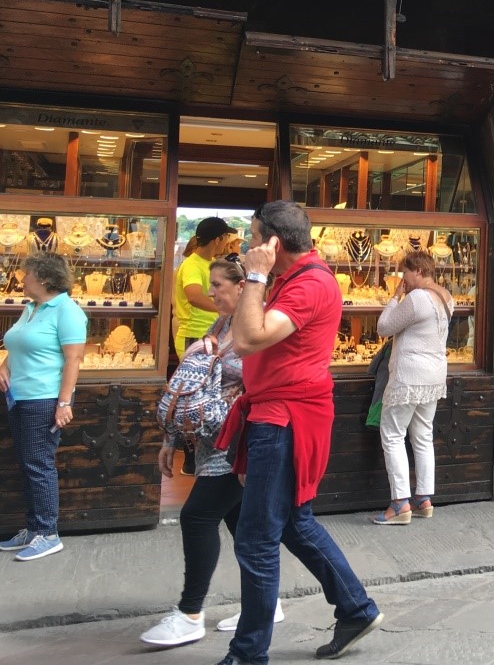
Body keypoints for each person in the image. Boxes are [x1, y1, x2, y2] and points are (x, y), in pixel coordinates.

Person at [216, 201, 382, 665]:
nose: (246, 248)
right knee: (292, 522)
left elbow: (249, 338)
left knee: (256, 538)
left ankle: (249, 654)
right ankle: (355, 608)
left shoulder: (308, 284)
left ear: (272, 244)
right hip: (277, 413)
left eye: (252, 238)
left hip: (285, 419)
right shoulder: (294, 278)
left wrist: (254, 277)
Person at [141, 258, 286, 646]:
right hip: (212, 440)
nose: (211, 293)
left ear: (243, 288)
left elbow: (261, 382)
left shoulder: (261, 325)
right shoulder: (222, 324)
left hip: (239, 441)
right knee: (240, 524)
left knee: (197, 516)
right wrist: (170, 439)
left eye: (219, 285)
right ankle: (266, 602)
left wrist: (211, 358)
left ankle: (190, 613)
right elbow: (192, 383)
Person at [0, 253, 85, 561]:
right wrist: (5, 365)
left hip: (44, 398)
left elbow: (73, 359)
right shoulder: (31, 307)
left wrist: (64, 402)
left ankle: (48, 533)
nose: (22, 279)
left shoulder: (67, 311)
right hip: (20, 396)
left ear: (45, 278)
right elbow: (20, 343)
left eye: (27, 275)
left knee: (39, 465)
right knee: (28, 463)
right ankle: (35, 529)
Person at [371, 250, 452, 525]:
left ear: (417, 270)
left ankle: (399, 504)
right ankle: (423, 499)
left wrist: (395, 297)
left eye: (404, 272)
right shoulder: (446, 296)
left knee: (392, 435)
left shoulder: (417, 298)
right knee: (423, 435)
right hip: (434, 376)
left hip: (409, 376)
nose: (402, 278)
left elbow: (383, 326)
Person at [173, 217, 236, 475]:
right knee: (194, 396)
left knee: (212, 397)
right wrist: (226, 310)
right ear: (218, 239)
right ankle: (190, 460)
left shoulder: (210, 264)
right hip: (195, 338)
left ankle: (210, 453)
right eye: (226, 239)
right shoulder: (191, 264)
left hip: (212, 339)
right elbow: (194, 295)